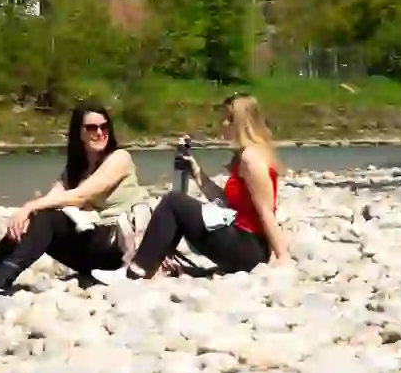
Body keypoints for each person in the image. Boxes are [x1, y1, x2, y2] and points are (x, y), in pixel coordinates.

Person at [0, 103, 146, 302]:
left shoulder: (119, 158)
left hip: (118, 247)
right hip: (92, 253)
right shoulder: (74, 170)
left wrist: (28, 207)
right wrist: (27, 215)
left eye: (104, 126)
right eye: (91, 128)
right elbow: (51, 199)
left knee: (45, 217)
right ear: (79, 133)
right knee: (38, 219)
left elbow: (80, 196)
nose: (100, 133)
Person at [92, 93, 290, 284]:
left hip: (248, 249)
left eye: (227, 120)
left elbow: (266, 211)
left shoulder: (252, 159)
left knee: (174, 202)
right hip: (241, 242)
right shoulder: (244, 157)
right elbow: (226, 201)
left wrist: (283, 257)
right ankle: (151, 264)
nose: (222, 125)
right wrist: (197, 172)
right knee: (178, 206)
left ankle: (136, 271)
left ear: (242, 122)